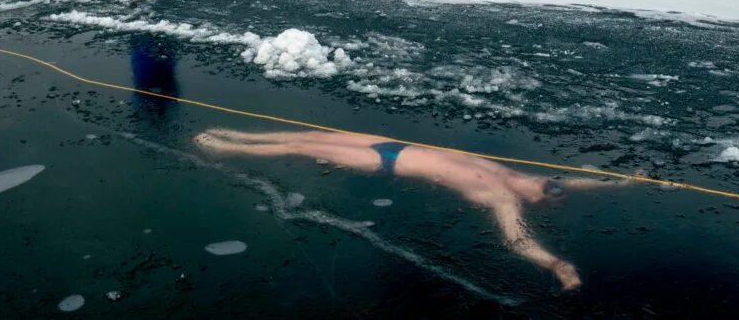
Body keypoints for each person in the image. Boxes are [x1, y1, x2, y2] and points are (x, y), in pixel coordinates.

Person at [195, 128, 635, 291]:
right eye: (555, 185)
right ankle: (238, 134)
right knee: (309, 133)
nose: (553, 186)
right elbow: (575, 182)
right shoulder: (526, 177)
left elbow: (516, 238)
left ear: (535, 201)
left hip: (388, 161)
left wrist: (556, 264)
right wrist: (619, 182)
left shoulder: (503, 197)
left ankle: (228, 147)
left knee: (301, 147)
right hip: (394, 143)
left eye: (551, 192)